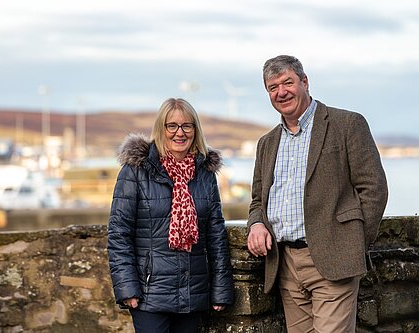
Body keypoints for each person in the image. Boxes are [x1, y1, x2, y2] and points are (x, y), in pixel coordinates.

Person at [246, 55, 388, 333]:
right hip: (285, 264)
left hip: (332, 259)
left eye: (288, 82)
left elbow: (374, 189)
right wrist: (257, 223)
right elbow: (256, 201)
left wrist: (351, 242)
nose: (281, 92)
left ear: (305, 82)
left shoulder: (346, 124)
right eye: (273, 87)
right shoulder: (267, 143)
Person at [108, 98, 234, 333]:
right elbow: (119, 234)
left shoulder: (205, 174)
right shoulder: (135, 171)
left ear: (195, 130)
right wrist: (127, 288)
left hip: (192, 292)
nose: (180, 133)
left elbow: (215, 235)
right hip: (149, 295)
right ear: (161, 129)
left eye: (187, 126)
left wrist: (220, 289)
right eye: (172, 126)